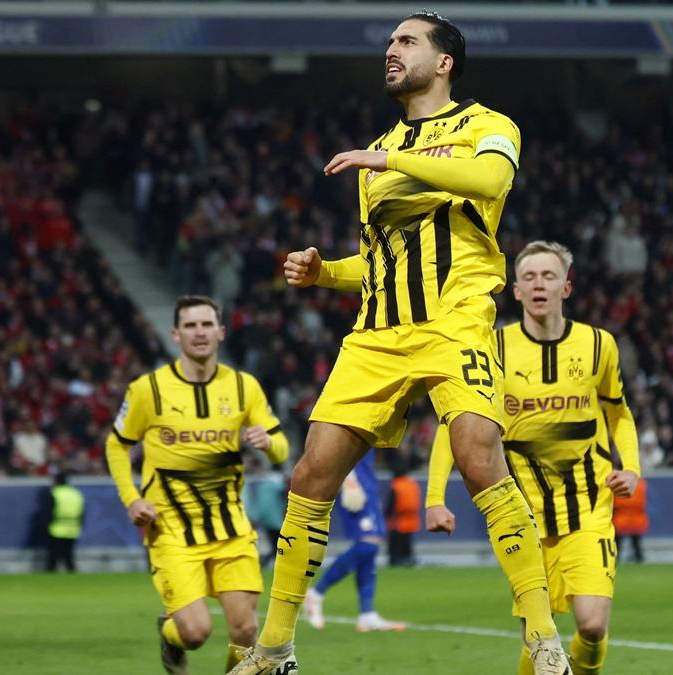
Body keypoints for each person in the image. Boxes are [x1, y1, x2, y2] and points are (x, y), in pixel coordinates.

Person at [231, 12, 572, 675]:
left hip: (455, 318)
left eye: (407, 41)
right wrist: (326, 271)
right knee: (311, 472)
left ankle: (540, 635)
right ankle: (273, 648)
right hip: (378, 332)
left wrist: (386, 158)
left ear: (444, 62)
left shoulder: (487, 126)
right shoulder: (376, 151)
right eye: (389, 41)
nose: (391, 50)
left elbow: (491, 184)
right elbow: (380, 260)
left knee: (478, 453)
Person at [427, 241, 641, 675]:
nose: (538, 283)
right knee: (537, 635)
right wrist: (434, 496)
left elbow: (619, 412)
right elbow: (456, 424)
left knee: (593, 627)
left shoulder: (600, 345)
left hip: (589, 507)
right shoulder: (493, 350)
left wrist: (632, 468)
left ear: (566, 287)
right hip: (520, 515)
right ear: (516, 291)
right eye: (528, 277)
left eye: (548, 276)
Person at [106, 295, 290, 674]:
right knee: (195, 632)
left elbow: (282, 449)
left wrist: (269, 443)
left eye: (207, 324)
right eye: (190, 325)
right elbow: (117, 445)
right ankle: (169, 638)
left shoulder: (243, 387)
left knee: (246, 629)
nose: (200, 332)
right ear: (176, 334)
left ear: (221, 332)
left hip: (231, 528)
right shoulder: (148, 390)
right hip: (171, 529)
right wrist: (131, 499)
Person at [303, 452, 406, 633]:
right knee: (367, 543)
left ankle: (367, 614)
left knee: (370, 549)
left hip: (367, 482)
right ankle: (316, 593)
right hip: (356, 481)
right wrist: (348, 479)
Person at [46, 472, 85, 572]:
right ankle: (73, 580)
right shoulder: (76, 493)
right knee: (68, 557)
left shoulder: (55, 493)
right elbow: (82, 513)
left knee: (53, 558)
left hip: (57, 529)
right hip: (73, 529)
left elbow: (49, 512)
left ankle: (50, 580)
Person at [385, 464, 422, 567]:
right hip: (412, 519)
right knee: (407, 543)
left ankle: (396, 562)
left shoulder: (396, 485)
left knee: (396, 544)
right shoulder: (413, 484)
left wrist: (386, 516)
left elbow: (391, 504)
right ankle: (408, 560)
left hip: (399, 520)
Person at [613, 477, 648, 564]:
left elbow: (616, 502)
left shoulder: (618, 480)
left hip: (621, 517)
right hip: (636, 517)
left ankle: (615, 559)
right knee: (636, 541)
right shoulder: (641, 482)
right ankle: (638, 557)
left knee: (618, 541)